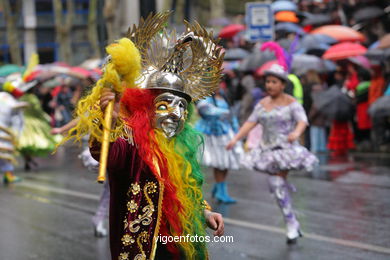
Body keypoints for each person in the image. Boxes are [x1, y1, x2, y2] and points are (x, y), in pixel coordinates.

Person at [62, 12, 224, 259]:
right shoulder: (132, 140)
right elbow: (109, 156)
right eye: (164, 105)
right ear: (147, 107)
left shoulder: (183, 145)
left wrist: (204, 213)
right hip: (142, 248)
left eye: (181, 106)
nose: (174, 113)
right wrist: (111, 121)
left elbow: (188, 190)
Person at [227, 64, 318, 244]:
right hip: (267, 150)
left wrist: (296, 133)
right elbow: (250, 123)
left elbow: (302, 121)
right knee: (278, 186)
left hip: (286, 150)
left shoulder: (292, 103)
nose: (269, 85)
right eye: (268, 81)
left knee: (276, 183)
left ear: (282, 84)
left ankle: (291, 222)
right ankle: (291, 220)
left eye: (274, 82)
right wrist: (235, 138)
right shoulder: (262, 104)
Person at [195, 87, 243, 203]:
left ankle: (219, 188)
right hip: (209, 135)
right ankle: (220, 191)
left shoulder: (224, 96)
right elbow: (205, 110)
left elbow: (232, 116)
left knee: (225, 163)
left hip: (225, 133)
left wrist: (237, 132)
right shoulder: (204, 98)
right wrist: (225, 113)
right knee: (219, 163)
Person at [0, 91, 26, 184]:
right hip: (3, 132)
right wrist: (17, 134)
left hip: (3, 131)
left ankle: (8, 175)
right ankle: (8, 175)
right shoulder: (10, 101)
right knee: (5, 153)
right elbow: (17, 121)